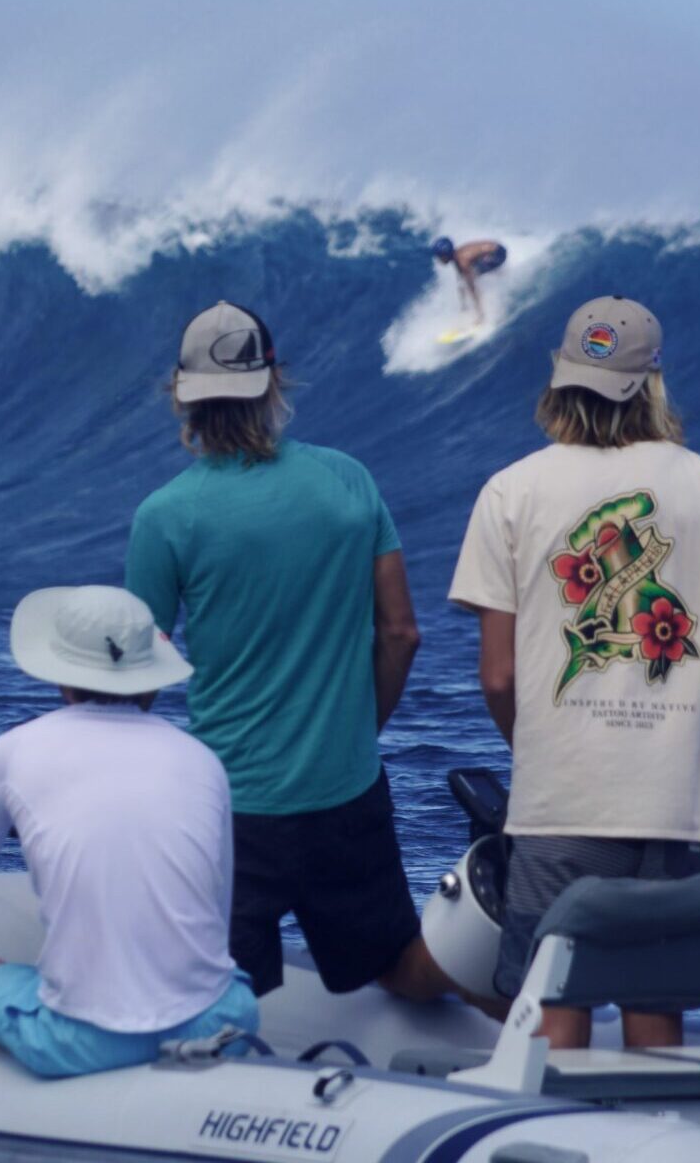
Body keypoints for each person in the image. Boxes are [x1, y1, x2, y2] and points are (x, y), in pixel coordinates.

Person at [448, 296, 700, 1051]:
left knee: (557, 1008)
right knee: (656, 1016)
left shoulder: (510, 490)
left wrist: (546, 754)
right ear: (652, 382)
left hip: (563, 803)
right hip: (675, 801)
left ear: (562, 378)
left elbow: (497, 678)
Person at [125, 301, 473, 1006]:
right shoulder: (348, 482)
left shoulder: (165, 515)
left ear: (183, 393)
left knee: (218, 996)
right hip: (346, 792)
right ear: (273, 380)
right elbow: (402, 633)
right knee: (402, 969)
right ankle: (537, 1023)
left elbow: (134, 682)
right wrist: (351, 734)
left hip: (231, 810)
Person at [0, 585, 259, 1078]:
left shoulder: (14, 750)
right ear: (151, 679)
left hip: (82, 1041)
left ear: (61, 679)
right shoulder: (203, 761)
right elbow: (216, 926)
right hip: (220, 1021)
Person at [433, 236, 509, 322]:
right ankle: (501, 274)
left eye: (439, 256)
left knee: (473, 277)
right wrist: (463, 305)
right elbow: (460, 283)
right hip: (496, 249)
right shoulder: (457, 256)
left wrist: (480, 313)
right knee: (466, 280)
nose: (438, 259)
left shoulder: (462, 262)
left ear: (445, 255)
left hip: (498, 254)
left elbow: (472, 288)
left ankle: (482, 313)